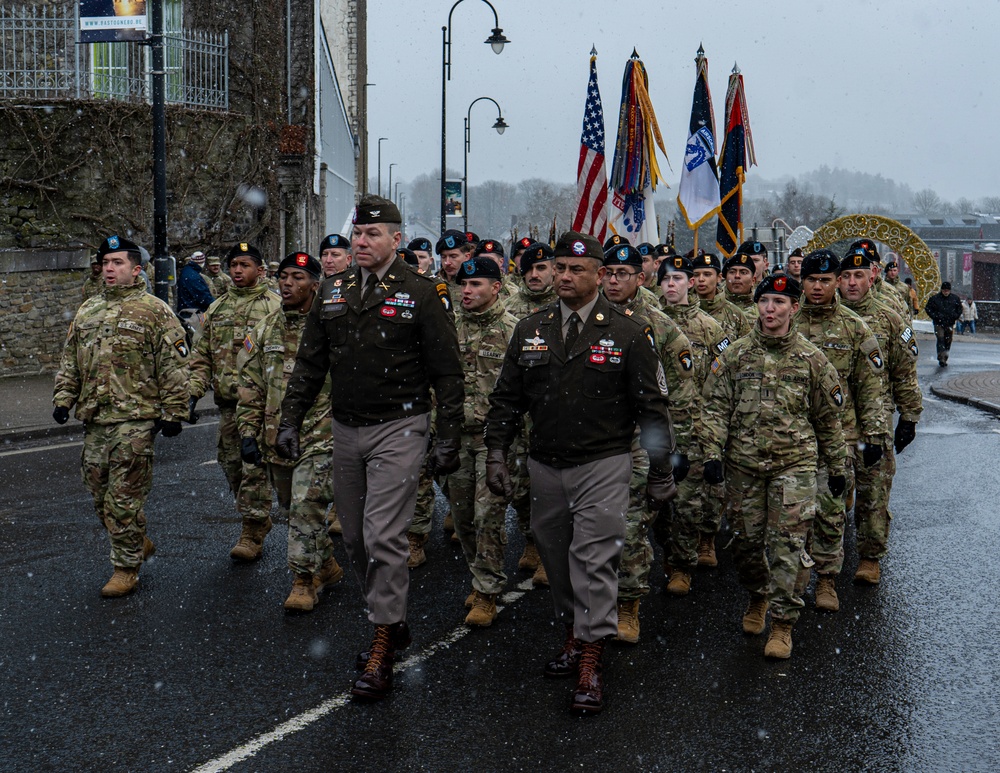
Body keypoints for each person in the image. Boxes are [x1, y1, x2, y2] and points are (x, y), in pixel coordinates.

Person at [277, 195, 464, 702]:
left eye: (373, 235)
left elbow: (447, 372)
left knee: (384, 536)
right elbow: (310, 364)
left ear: (396, 241)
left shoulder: (423, 293)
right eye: (358, 234)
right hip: (346, 428)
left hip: (399, 427)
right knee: (355, 539)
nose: (361, 242)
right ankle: (393, 618)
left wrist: (447, 435)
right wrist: (290, 420)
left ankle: (382, 640)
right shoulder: (332, 291)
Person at [484, 231, 677, 715]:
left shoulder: (630, 332)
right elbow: (507, 398)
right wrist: (495, 453)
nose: (564, 277)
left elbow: (652, 408)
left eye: (575, 269)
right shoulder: (530, 328)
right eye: (559, 268)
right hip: (545, 462)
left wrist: (659, 469)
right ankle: (573, 634)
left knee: (593, 558)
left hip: (604, 462)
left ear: (599, 275)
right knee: (554, 555)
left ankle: (591, 658)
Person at [701, 273, 847, 659]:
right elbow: (715, 407)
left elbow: (828, 420)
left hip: (794, 465)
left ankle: (783, 624)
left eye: (779, 303)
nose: (770, 309)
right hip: (743, 466)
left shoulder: (813, 360)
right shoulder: (735, 355)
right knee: (746, 546)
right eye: (765, 301)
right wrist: (712, 454)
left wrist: (837, 468)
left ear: (794, 308)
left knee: (788, 548)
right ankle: (757, 596)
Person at [53, 235, 189, 597]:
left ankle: (125, 568)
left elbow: (174, 366)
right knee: (99, 496)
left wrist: (175, 411)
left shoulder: (155, 310)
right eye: (105, 263)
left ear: (136, 269)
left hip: (136, 419)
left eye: (117, 263)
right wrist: (63, 399)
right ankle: (135, 540)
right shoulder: (88, 310)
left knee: (123, 499)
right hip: (96, 418)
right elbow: (71, 359)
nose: (109, 269)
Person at [236, 251, 344, 613]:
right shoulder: (266, 327)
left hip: (321, 434)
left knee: (304, 505)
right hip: (277, 437)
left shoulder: (335, 326)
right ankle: (325, 565)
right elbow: (249, 383)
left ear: (316, 284)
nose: (288, 283)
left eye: (298, 277)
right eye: (284, 276)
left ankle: (303, 581)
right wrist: (248, 433)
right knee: (291, 508)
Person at [602, 242, 697, 642]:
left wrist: (678, 452)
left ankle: (628, 606)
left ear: (640, 278)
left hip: (641, 440)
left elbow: (681, 394)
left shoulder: (658, 327)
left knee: (632, 521)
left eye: (622, 273)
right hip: (592, 438)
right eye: (607, 272)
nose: (613, 280)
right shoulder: (578, 318)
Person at [794, 249, 888, 611]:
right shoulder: (788, 321)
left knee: (831, 512)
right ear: (802, 282)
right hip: (791, 439)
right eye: (812, 280)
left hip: (840, 437)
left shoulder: (854, 328)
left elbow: (870, 388)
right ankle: (793, 579)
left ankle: (827, 580)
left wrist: (875, 437)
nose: (817, 287)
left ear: (836, 282)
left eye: (825, 280)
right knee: (793, 515)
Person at [189, 242, 281, 560]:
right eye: (234, 265)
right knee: (232, 467)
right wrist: (192, 392)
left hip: (260, 407)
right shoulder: (218, 308)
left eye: (245, 264)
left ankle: (252, 531)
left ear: (260, 269)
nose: (238, 270)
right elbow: (201, 355)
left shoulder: (274, 307)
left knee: (254, 468)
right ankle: (256, 516)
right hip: (229, 406)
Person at [839, 246, 923, 584]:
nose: (853, 282)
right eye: (846, 276)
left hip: (877, 414)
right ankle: (825, 563)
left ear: (873, 275)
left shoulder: (890, 314)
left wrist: (910, 416)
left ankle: (870, 556)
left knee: (874, 489)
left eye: (860, 274)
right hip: (835, 418)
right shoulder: (824, 316)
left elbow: (904, 371)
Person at [447, 256, 519, 626]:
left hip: (498, 442)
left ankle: (488, 590)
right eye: (464, 285)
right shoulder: (449, 328)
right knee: (462, 517)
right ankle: (479, 576)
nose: (468, 291)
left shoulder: (514, 332)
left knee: (487, 513)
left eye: (476, 285)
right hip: (457, 436)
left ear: (497, 287)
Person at [656, 254, 731, 591]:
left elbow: (721, 381)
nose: (672, 285)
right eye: (666, 280)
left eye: (678, 279)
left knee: (687, 501)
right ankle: (665, 554)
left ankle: (681, 566)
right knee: (655, 505)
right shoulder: (646, 321)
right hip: (653, 426)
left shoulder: (710, 329)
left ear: (690, 284)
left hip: (693, 426)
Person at [504, 241, 559, 582]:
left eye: (542, 268)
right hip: (517, 412)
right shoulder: (509, 308)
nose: (535, 275)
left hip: (551, 412)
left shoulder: (565, 306)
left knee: (551, 487)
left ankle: (550, 550)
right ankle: (531, 540)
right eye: (529, 269)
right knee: (520, 486)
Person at [692, 252, 751, 340]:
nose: (701, 279)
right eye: (696, 275)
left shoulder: (734, 314)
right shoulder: (684, 311)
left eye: (707, 274)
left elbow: (747, 349)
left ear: (719, 278)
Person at [925, 281, 963, 366]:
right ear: (942, 290)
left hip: (949, 323)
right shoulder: (935, 299)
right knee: (940, 339)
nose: (946, 292)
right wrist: (935, 316)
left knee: (948, 340)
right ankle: (941, 357)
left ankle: (945, 357)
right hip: (939, 323)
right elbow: (928, 308)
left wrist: (955, 316)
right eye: (944, 290)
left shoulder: (955, 299)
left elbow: (959, 309)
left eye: (947, 290)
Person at [435, 228, 474, 311]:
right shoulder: (433, 284)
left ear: (467, 256)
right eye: (443, 257)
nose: (447, 262)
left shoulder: (475, 286)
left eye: (453, 257)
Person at [721, 252, 758, 319]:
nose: (737, 276)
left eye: (743, 272)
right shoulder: (714, 306)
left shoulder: (762, 309)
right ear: (725, 278)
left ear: (753, 280)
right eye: (732, 272)